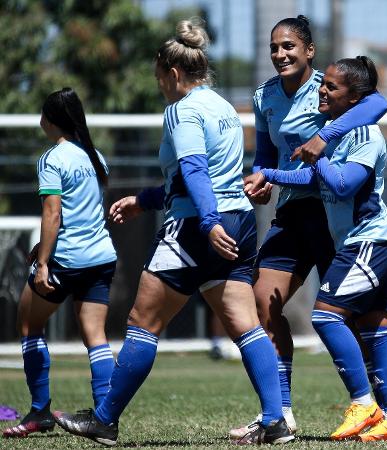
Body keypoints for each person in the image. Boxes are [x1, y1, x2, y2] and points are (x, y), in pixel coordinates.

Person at [52, 18, 295, 446]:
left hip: (197, 226)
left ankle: (105, 419)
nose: (160, 86)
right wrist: (143, 200)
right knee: (245, 323)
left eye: (159, 77)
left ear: (174, 74)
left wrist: (205, 223)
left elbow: (195, 171)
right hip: (238, 220)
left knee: (142, 321)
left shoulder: (182, 111)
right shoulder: (223, 108)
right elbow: (199, 177)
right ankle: (275, 419)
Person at [229, 15, 387, 439]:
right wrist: (260, 179)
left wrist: (326, 135)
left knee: (358, 318)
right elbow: (264, 155)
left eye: (289, 47)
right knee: (262, 304)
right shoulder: (264, 95)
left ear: (309, 51)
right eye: (274, 48)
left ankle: (383, 411)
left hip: (334, 214)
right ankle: (280, 412)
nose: (280, 54)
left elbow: (378, 104)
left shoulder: (328, 86)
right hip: (292, 212)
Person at [2, 88, 117, 439]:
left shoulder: (52, 158)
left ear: (50, 121)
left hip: (67, 258)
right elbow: (84, 213)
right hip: (101, 256)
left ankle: (40, 411)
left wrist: (43, 263)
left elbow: (52, 213)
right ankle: (104, 418)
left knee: (28, 325)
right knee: (95, 337)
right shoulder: (95, 156)